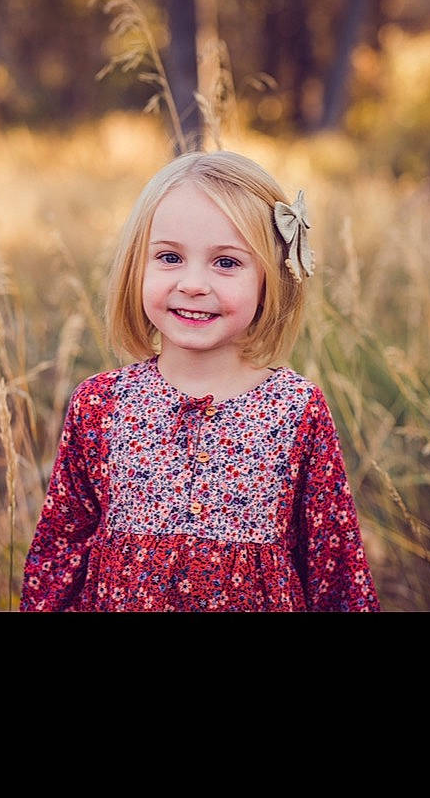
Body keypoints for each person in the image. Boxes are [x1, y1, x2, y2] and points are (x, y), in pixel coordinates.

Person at [19, 151, 380, 613]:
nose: (192, 284)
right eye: (169, 257)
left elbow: (335, 568)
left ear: (270, 279)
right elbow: (60, 553)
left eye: (226, 262)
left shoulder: (296, 408)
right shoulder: (101, 404)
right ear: (136, 266)